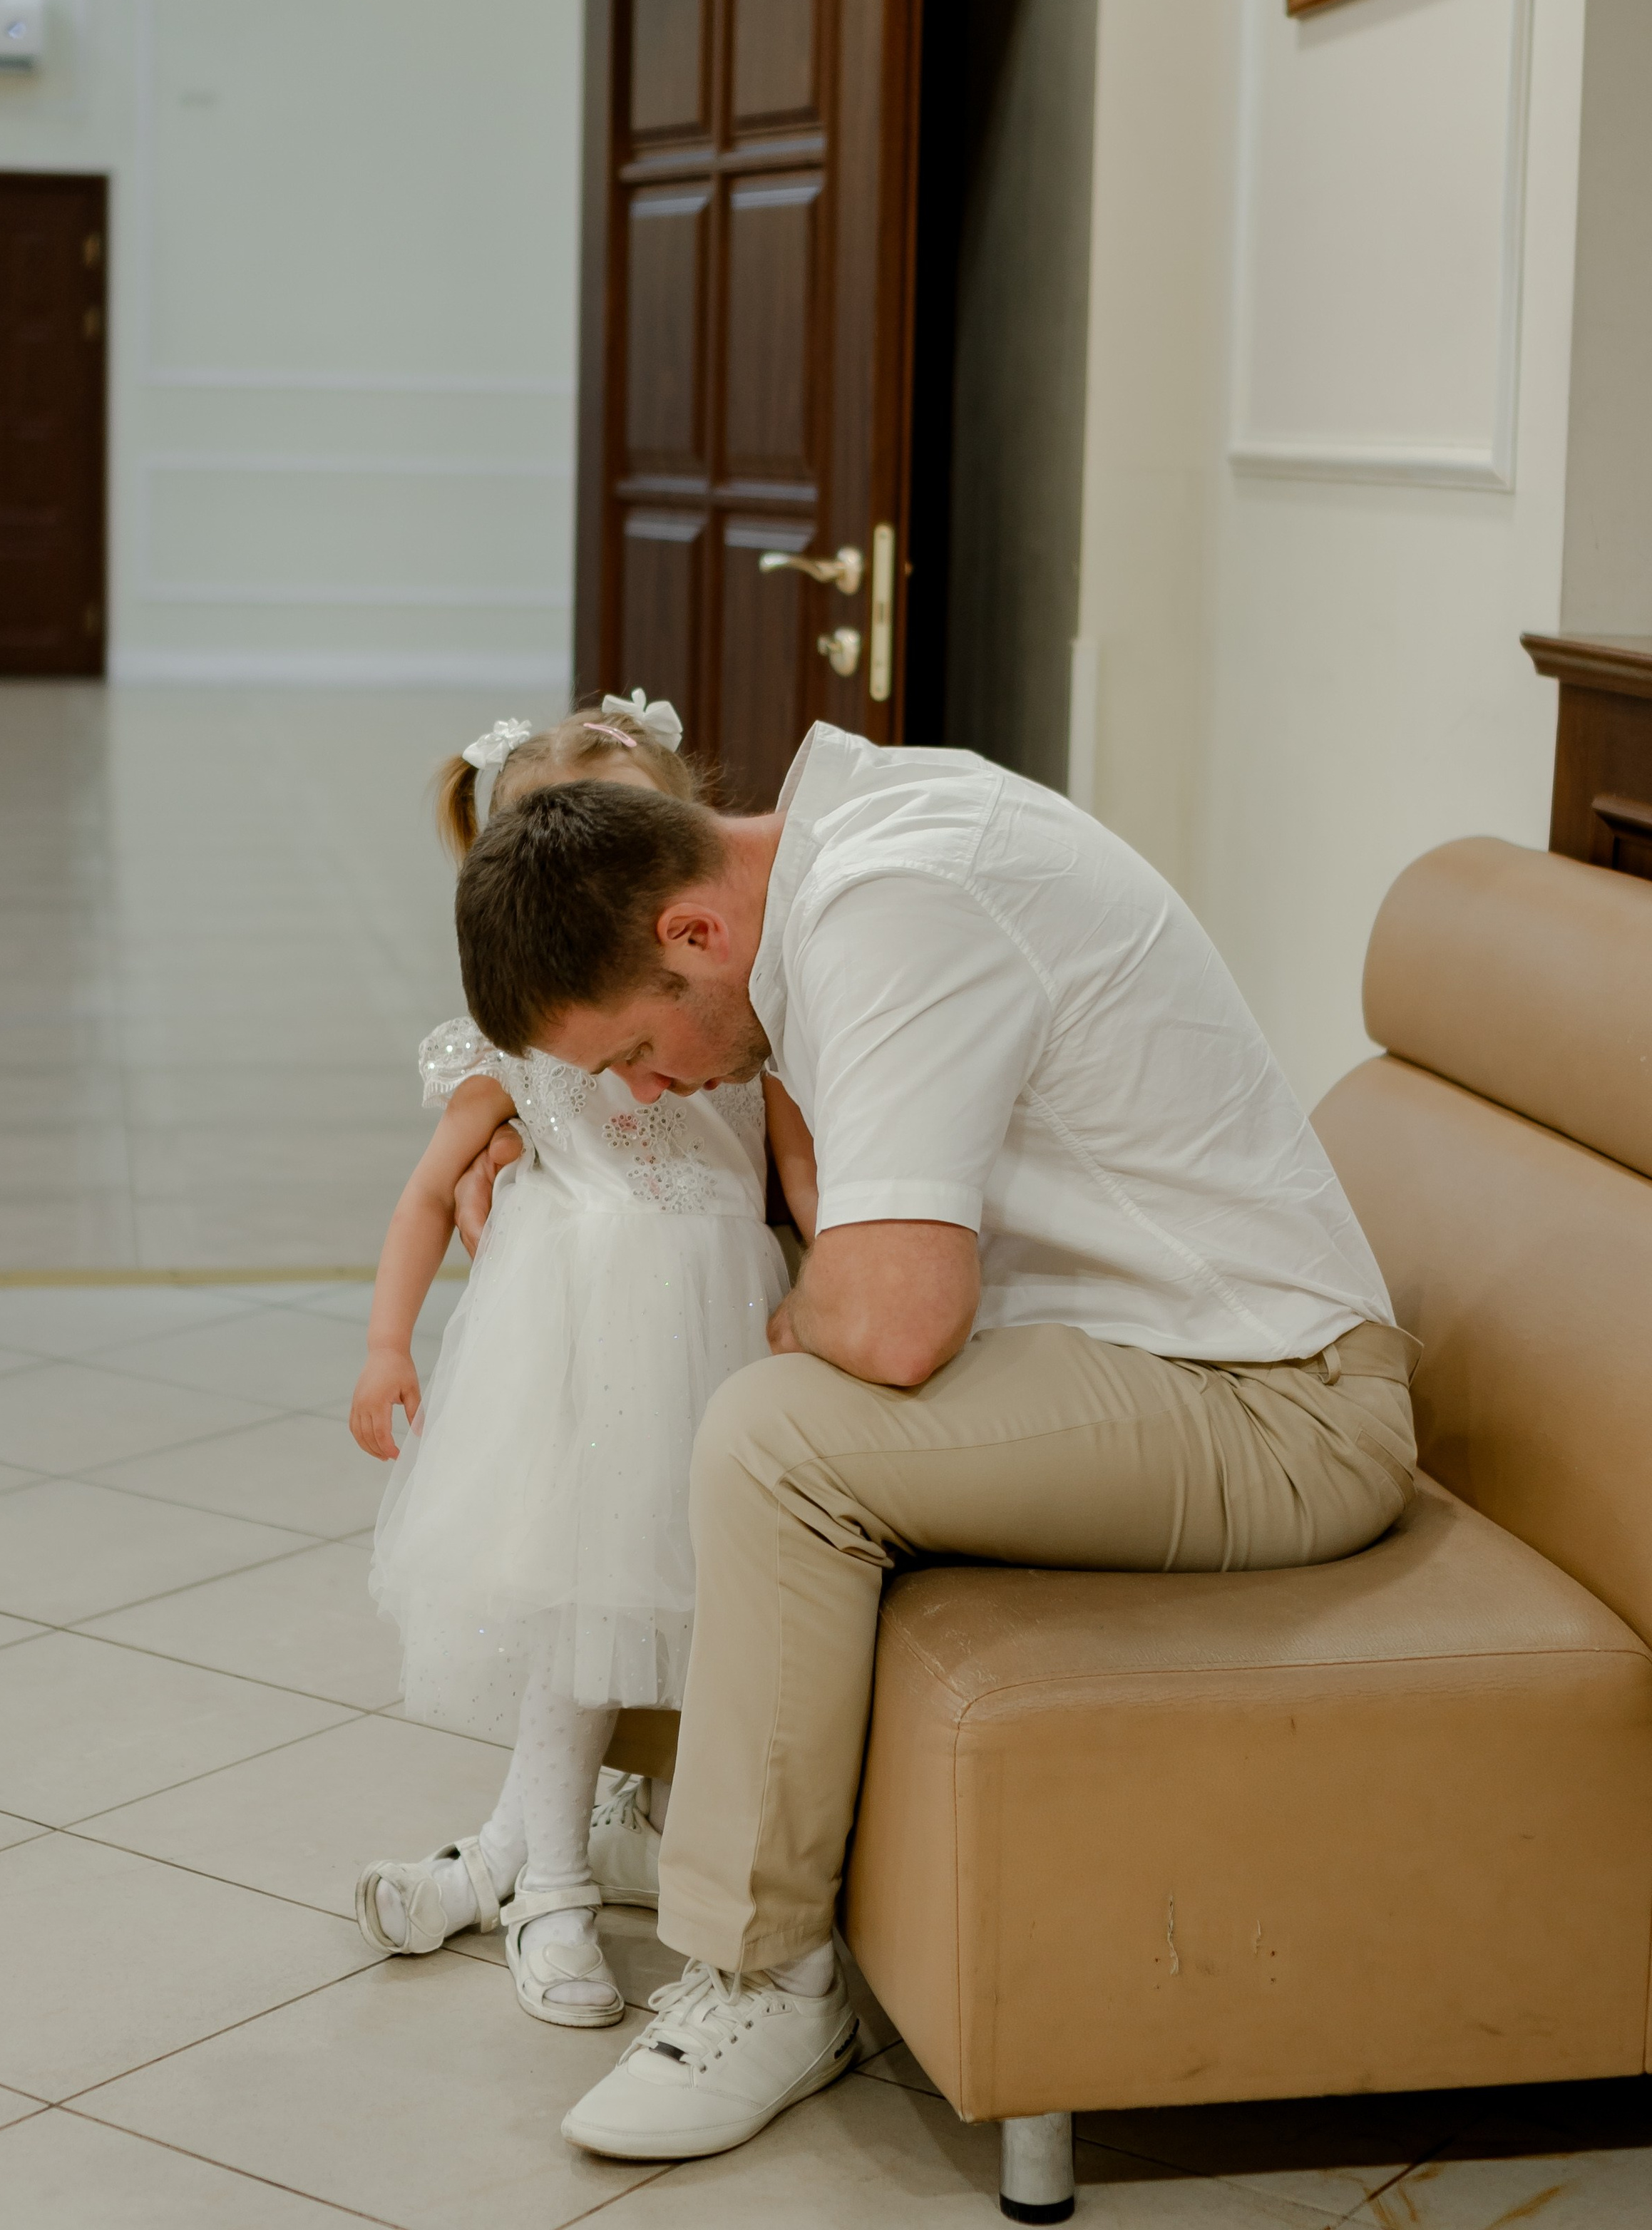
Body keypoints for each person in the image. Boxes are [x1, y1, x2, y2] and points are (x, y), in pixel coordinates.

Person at [451, 721, 1417, 2161]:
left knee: (776, 1440)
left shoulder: (896, 904)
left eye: (639, 1053)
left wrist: (819, 1314)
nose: (646, 1095)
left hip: (1274, 1399)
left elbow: (893, 1322)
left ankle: (765, 1981)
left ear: (694, 930)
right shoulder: (848, 845)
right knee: (770, 1385)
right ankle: (711, 1845)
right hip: (1149, 1353)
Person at [348, 697, 816, 2033]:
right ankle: (546, 1880)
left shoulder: (746, 1015)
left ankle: (514, 1855)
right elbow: (427, 1194)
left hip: (708, 1328)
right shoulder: (516, 1053)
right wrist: (389, 1343)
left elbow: (797, 1168)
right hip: (567, 1336)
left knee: (640, 1611)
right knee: (582, 1600)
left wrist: (832, 1280)